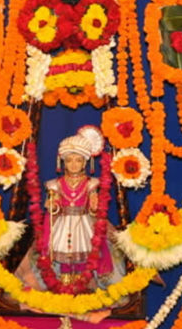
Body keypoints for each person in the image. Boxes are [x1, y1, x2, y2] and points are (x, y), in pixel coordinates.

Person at [16, 126, 126, 294]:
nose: (73, 164)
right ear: (62, 162)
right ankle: (62, 281)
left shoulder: (92, 184)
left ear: (86, 162)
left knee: (88, 251)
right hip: (62, 224)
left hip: (84, 223)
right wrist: (53, 205)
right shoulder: (54, 184)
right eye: (69, 160)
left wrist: (94, 206)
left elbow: (94, 210)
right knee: (59, 253)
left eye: (78, 160)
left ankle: (83, 282)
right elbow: (52, 209)